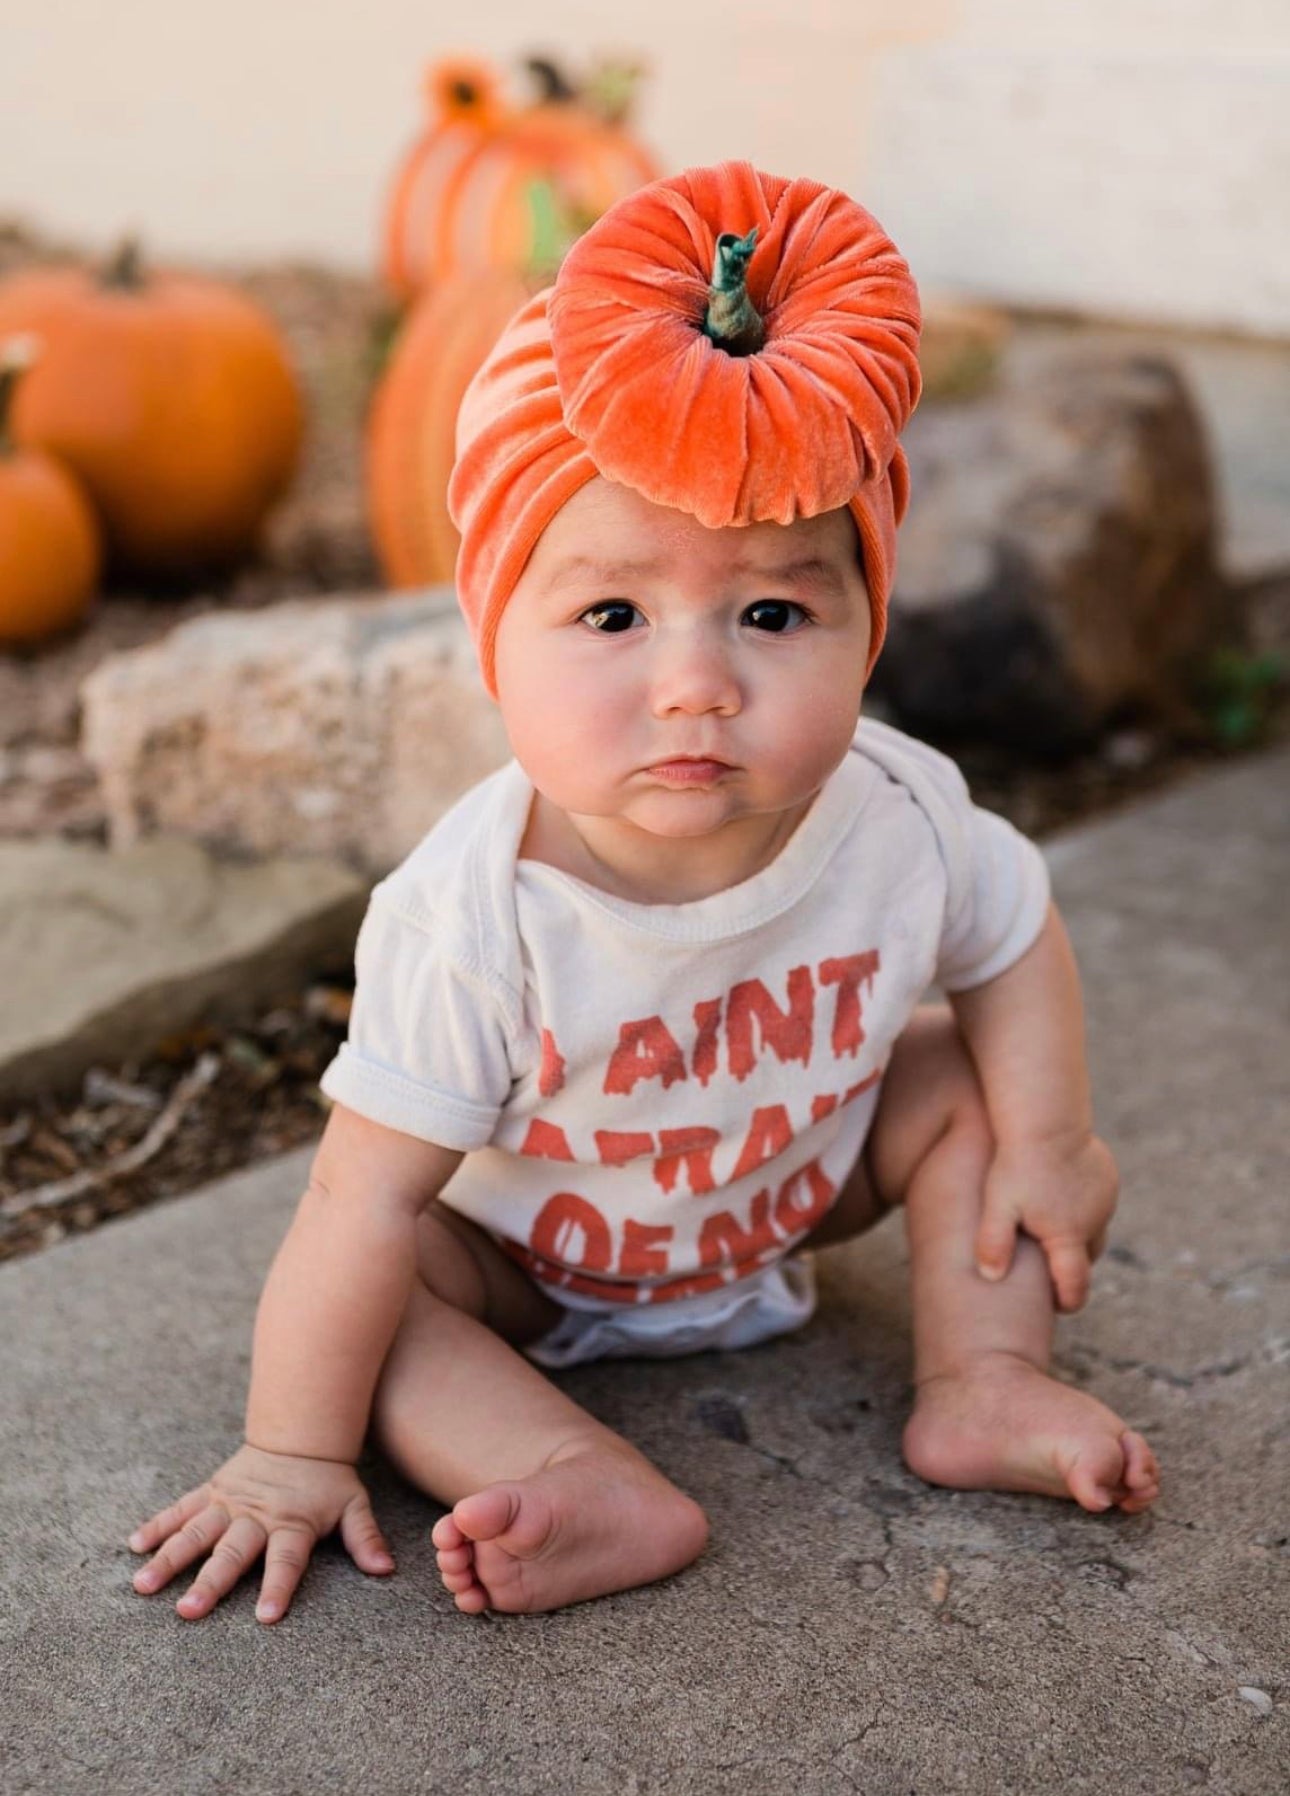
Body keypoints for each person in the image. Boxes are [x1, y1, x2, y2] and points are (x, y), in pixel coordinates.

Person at [128, 162, 1160, 1626]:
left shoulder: (900, 816)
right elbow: (360, 1200)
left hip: (792, 1196)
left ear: (867, 629)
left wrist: (1051, 1140)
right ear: (496, 643)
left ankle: (983, 1377)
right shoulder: (475, 916)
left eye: (773, 612)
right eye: (611, 613)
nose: (695, 684)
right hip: (524, 1264)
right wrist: (288, 1454)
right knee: (380, 1293)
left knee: (966, 1085)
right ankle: (574, 1470)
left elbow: (1009, 935)